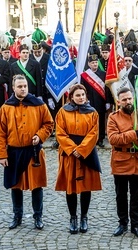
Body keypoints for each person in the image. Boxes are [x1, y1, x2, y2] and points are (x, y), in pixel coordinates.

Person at [0, 75, 54, 230]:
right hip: (13, 152)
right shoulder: (6, 107)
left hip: (33, 152)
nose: (23, 89)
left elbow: (49, 124)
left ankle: (38, 217)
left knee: (36, 186)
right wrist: (1, 155)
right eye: (19, 86)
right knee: (15, 185)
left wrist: (40, 136)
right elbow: (0, 133)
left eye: (25, 86)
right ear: (13, 88)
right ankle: (17, 216)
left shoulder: (39, 105)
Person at [55, 84, 102, 234]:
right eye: (78, 95)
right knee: (71, 188)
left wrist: (81, 150)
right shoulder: (62, 112)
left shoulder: (93, 113)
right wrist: (72, 149)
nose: (81, 98)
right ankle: (73, 217)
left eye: (83, 95)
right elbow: (60, 133)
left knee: (86, 187)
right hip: (69, 155)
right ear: (71, 98)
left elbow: (94, 133)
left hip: (86, 154)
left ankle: (84, 217)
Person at [107, 87, 138, 239]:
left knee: (136, 197)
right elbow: (113, 139)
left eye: (130, 98)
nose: (128, 101)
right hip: (121, 161)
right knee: (121, 196)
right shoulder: (113, 117)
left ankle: (136, 225)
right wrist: (134, 134)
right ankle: (122, 223)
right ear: (118, 102)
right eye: (124, 99)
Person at [80, 54, 113, 148]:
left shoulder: (103, 74)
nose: (95, 64)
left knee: (101, 120)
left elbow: (107, 89)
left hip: (101, 101)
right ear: (89, 64)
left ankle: (101, 138)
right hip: (90, 101)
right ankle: (92, 138)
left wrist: (107, 101)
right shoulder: (85, 75)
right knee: (91, 121)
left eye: (96, 62)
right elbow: (83, 89)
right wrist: (86, 99)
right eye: (93, 63)